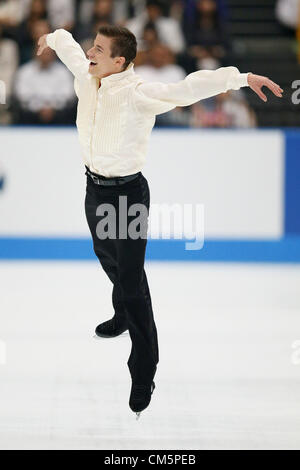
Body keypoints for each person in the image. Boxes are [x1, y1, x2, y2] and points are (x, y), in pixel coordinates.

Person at [36, 24, 283, 418]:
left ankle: (143, 369)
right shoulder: (87, 73)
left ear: (120, 61)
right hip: (94, 191)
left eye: (99, 49)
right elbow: (66, 44)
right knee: (109, 260)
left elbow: (188, 87)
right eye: (93, 47)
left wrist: (239, 77)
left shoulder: (140, 93)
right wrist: (51, 36)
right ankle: (121, 312)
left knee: (132, 283)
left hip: (128, 196)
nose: (90, 53)